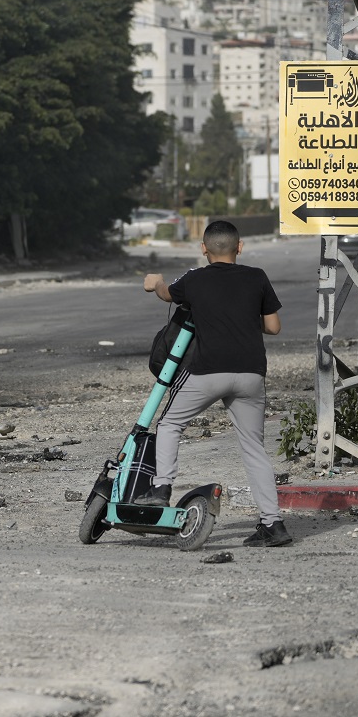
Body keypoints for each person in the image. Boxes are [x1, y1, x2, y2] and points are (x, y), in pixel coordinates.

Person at [141, 220, 289, 547]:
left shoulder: (194, 279)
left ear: (203, 249)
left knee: (169, 423)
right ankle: (273, 524)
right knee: (254, 449)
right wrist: (243, 320)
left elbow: (168, 295)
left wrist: (157, 283)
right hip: (251, 374)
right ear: (240, 247)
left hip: (208, 372)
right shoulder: (257, 276)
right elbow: (274, 327)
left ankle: (161, 489)